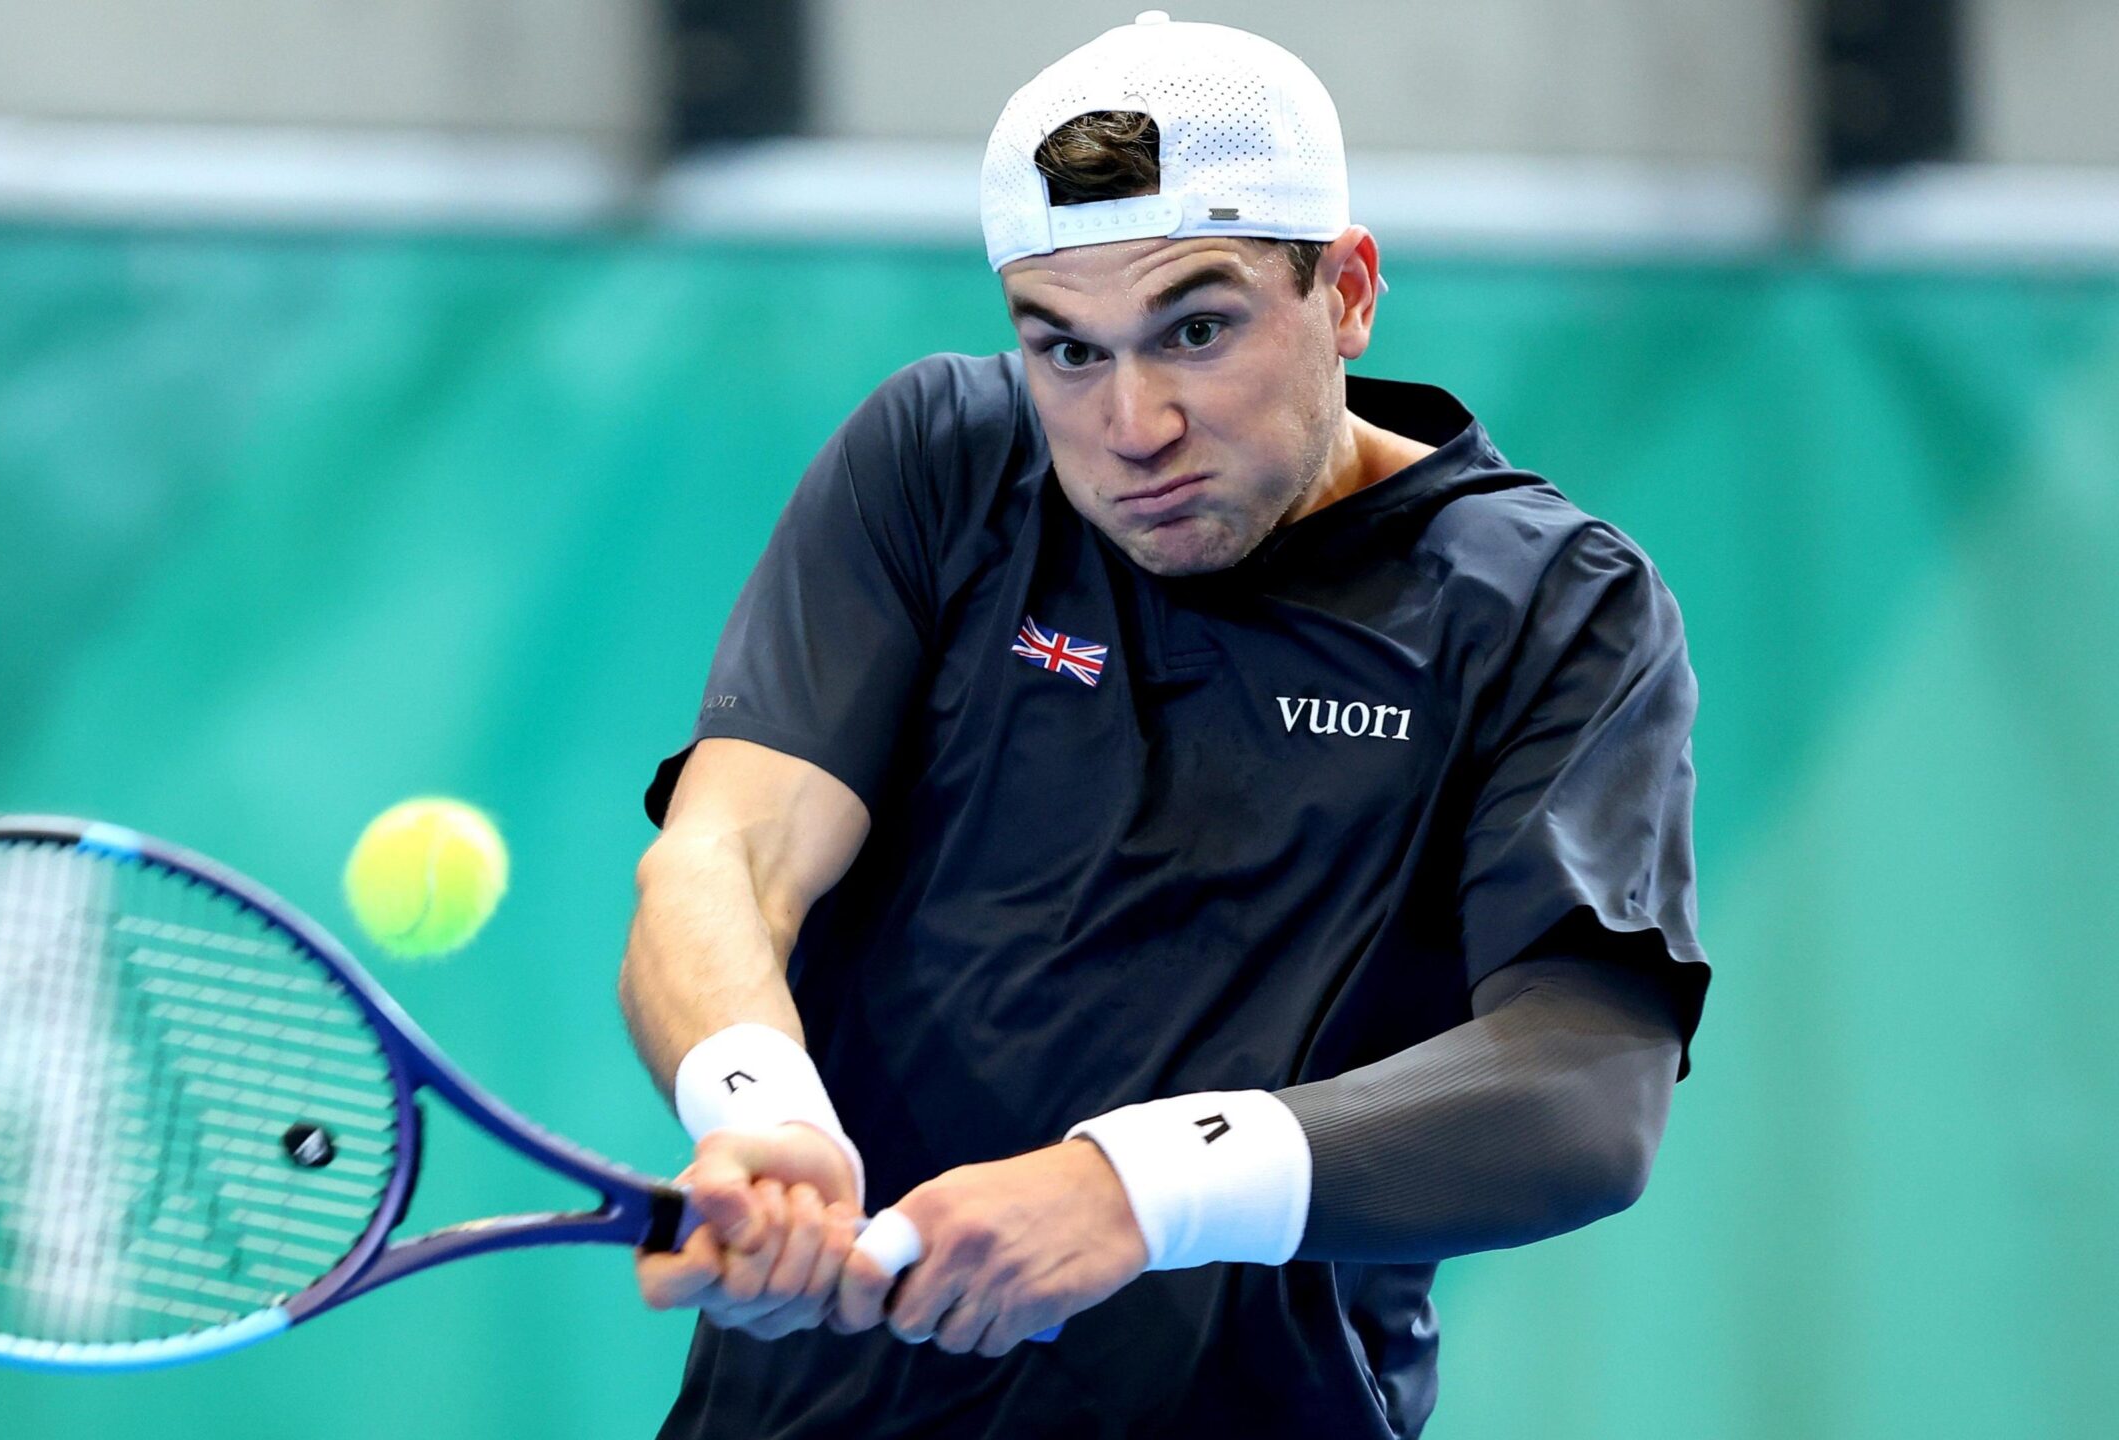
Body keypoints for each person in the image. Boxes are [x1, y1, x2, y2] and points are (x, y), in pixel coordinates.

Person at [618, 13, 1707, 1438]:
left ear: (1349, 291)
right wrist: (761, 1114)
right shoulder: (941, 462)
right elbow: (727, 858)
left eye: (1198, 329)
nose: (1132, 423)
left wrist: (1135, 1190)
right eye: (1064, 351)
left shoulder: (1551, 605)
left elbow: (1585, 1082)